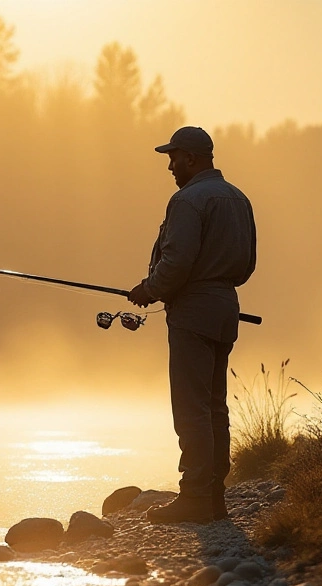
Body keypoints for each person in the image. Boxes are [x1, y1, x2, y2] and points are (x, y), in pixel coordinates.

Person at [128, 126, 257, 524]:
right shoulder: (239, 198)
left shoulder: (187, 201)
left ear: (191, 158)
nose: (170, 165)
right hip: (226, 307)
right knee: (215, 406)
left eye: (174, 157)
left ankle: (196, 497)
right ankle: (214, 496)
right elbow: (248, 264)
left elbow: (178, 261)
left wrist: (149, 289)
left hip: (194, 311)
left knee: (191, 408)